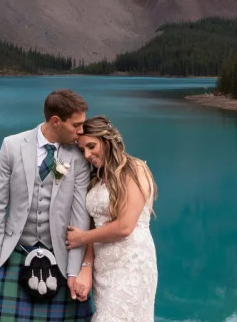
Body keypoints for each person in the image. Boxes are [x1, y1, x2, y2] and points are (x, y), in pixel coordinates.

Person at [0, 89, 94, 321]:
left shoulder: (78, 157)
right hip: (16, 251)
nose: (81, 131)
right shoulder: (12, 146)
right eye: (76, 125)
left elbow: (80, 217)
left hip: (61, 257)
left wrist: (74, 271)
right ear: (56, 121)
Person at [66, 115, 158, 322]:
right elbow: (92, 227)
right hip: (104, 268)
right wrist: (86, 268)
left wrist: (82, 238)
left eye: (91, 146)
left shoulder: (134, 169)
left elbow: (125, 226)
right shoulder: (96, 178)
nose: (87, 155)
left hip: (132, 263)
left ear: (106, 141)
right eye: (82, 150)